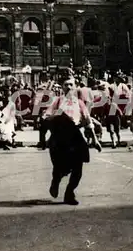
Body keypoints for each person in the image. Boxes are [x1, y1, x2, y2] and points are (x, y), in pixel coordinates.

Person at [40, 75, 101, 205]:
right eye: (66, 84)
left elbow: (88, 120)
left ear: (75, 87)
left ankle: (69, 193)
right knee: (60, 168)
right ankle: (55, 182)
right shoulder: (57, 101)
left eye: (71, 85)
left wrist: (95, 140)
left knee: (78, 168)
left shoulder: (79, 103)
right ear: (62, 87)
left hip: (75, 136)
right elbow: (46, 116)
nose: (68, 87)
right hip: (60, 136)